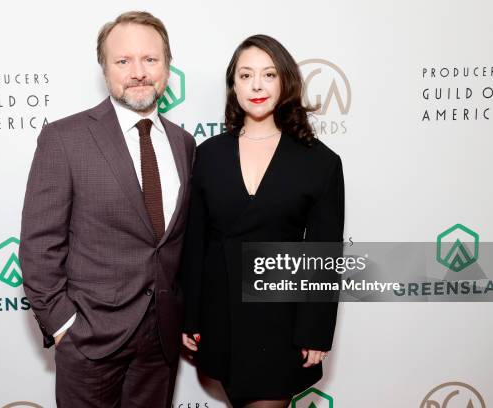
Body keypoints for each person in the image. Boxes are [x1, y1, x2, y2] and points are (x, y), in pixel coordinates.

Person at [19, 11, 195, 408]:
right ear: (104, 69)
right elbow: (38, 244)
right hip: (90, 338)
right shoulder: (64, 138)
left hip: (161, 340)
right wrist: (64, 325)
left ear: (167, 65)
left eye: (150, 59)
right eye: (123, 61)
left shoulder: (184, 143)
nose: (138, 72)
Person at [180, 34, 344, 407]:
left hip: (282, 321)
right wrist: (191, 317)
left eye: (269, 74)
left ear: (285, 81)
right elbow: (195, 243)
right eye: (245, 75)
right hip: (220, 317)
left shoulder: (319, 162)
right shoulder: (208, 155)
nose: (256, 85)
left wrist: (316, 331)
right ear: (233, 86)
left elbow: (324, 254)